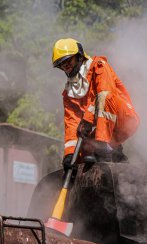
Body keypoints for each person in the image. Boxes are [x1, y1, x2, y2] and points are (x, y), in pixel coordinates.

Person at [52, 38, 139, 171]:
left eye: (68, 60)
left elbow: (105, 94)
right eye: (61, 64)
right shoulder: (68, 92)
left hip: (124, 119)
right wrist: (70, 156)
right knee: (83, 150)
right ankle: (115, 153)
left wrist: (87, 120)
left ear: (79, 56)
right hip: (102, 128)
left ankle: (104, 147)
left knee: (103, 97)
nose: (65, 66)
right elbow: (72, 124)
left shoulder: (99, 66)